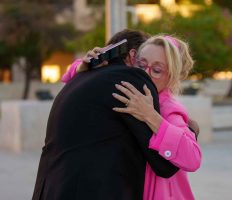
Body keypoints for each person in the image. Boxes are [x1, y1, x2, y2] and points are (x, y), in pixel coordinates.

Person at [32, 29, 179, 200]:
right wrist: (192, 128)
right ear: (133, 56)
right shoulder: (131, 82)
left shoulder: (80, 77)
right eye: (142, 63)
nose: (146, 73)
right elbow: (165, 165)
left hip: (50, 189)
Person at [63, 35, 202, 199]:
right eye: (141, 65)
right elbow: (68, 77)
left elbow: (193, 158)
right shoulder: (133, 90)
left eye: (157, 70)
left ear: (171, 77)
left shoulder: (168, 108)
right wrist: (83, 66)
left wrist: (151, 115)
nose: (145, 74)